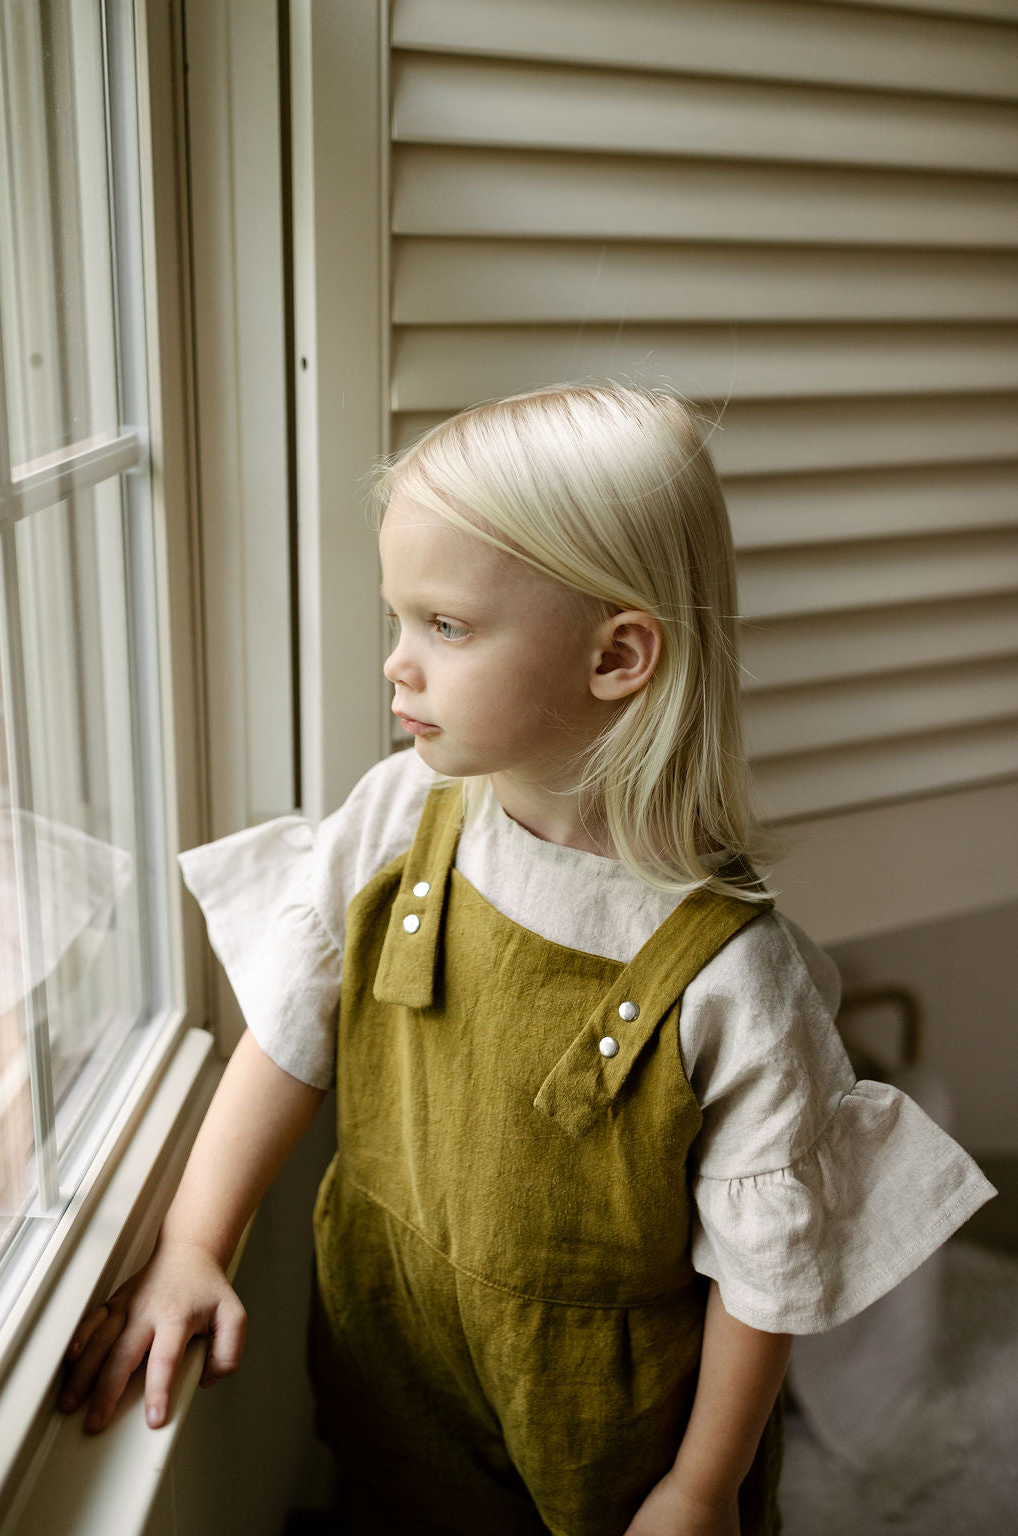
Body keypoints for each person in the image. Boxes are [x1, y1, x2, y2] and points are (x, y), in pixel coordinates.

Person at [58, 385, 994, 1536]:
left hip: (603, 1436)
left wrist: (698, 1489)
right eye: (399, 618)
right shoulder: (402, 816)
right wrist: (195, 1245)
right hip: (392, 1362)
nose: (397, 665)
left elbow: (766, 1275)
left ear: (617, 657)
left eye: (444, 627)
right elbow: (286, 1033)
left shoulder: (730, 974)